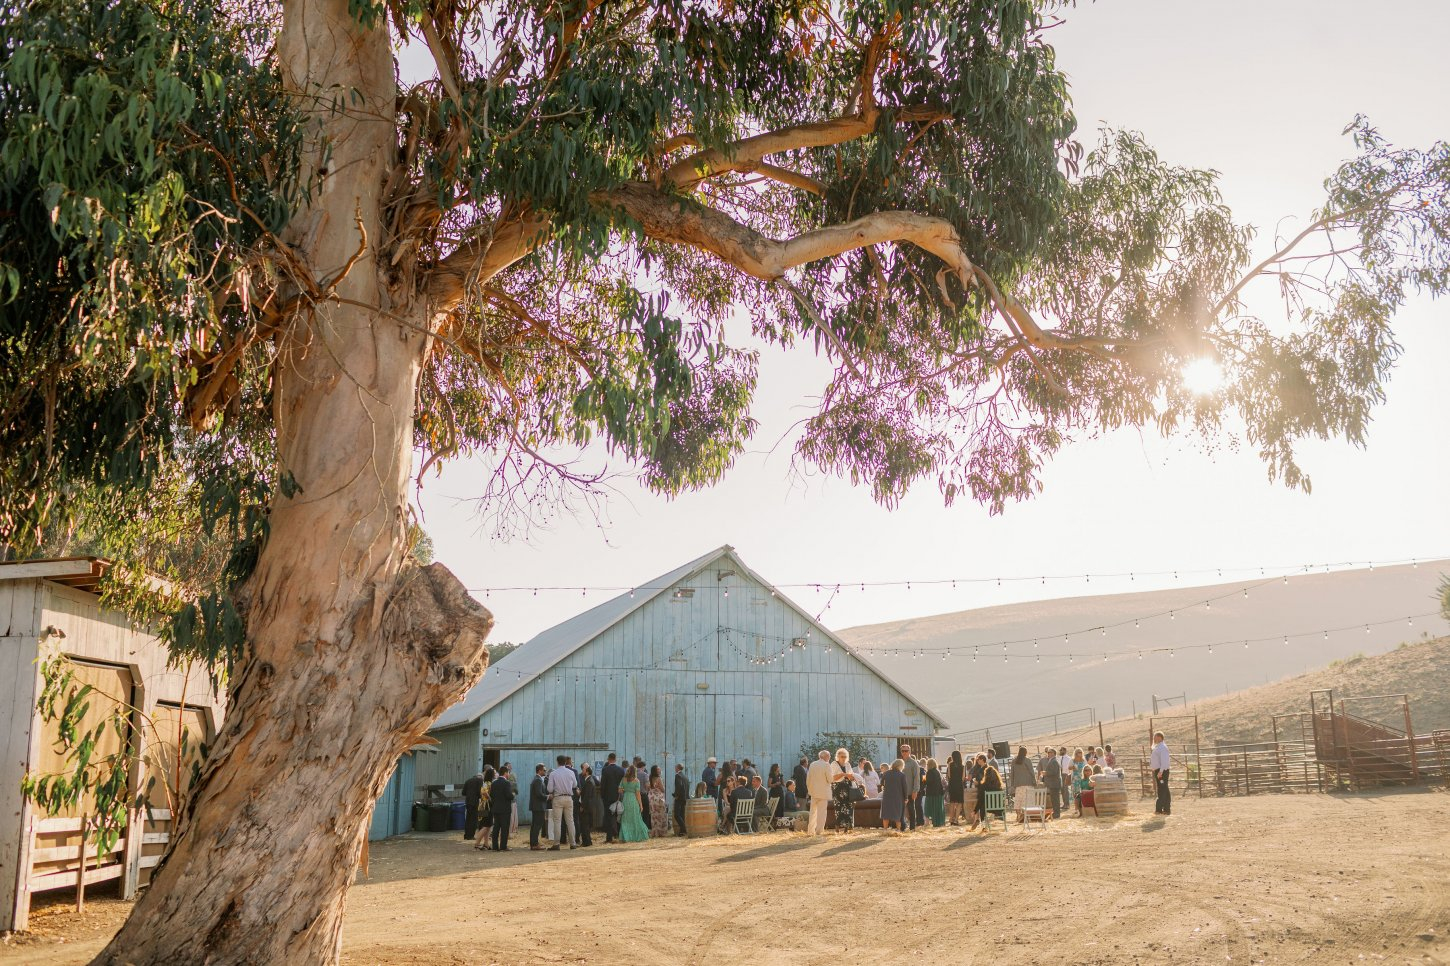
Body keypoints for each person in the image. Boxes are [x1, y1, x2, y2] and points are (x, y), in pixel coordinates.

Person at [546, 755, 578, 851]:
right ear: (565, 762)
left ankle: (556, 843)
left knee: (557, 821)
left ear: (557, 762)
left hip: (558, 798)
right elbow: (575, 785)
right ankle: (573, 843)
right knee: (570, 821)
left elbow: (549, 789)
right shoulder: (571, 772)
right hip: (568, 797)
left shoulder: (553, 773)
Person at [484, 765, 515, 851]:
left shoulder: (494, 783)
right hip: (505, 809)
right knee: (504, 828)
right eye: (508, 772)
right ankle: (503, 846)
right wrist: (513, 795)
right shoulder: (506, 783)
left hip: (496, 808)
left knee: (496, 828)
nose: (509, 774)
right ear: (505, 773)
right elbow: (508, 795)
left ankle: (495, 846)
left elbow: (491, 795)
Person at [969, 753, 1003, 830]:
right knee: (983, 802)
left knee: (982, 805)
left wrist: (975, 811)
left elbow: (980, 799)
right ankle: (983, 824)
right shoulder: (999, 786)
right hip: (999, 808)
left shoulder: (984, 786)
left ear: (985, 775)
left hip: (989, 807)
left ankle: (983, 825)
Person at [618, 765, 650, 842]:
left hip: (625, 799)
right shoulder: (636, 781)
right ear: (635, 772)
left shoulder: (623, 779)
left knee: (625, 819)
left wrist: (625, 790)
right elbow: (638, 794)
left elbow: (619, 790)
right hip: (633, 800)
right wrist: (641, 805)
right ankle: (636, 836)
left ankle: (626, 837)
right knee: (635, 818)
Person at [830, 748, 859, 833]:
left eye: (845, 756)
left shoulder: (848, 764)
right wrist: (844, 774)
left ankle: (847, 827)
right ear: (838, 756)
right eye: (842, 756)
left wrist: (851, 777)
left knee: (849, 807)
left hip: (847, 787)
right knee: (839, 807)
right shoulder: (834, 764)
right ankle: (837, 826)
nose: (843, 758)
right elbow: (833, 778)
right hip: (838, 788)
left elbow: (851, 775)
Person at [805, 750, 833, 835]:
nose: (829, 757)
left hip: (813, 792)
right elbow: (830, 779)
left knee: (813, 812)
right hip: (823, 793)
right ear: (826, 757)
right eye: (829, 756)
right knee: (821, 813)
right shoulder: (826, 765)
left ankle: (810, 831)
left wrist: (810, 790)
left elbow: (808, 779)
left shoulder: (812, 764)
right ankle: (819, 831)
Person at [600, 753, 625, 843]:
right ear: (615, 759)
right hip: (618, 796)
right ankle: (619, 835)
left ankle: (609, 837)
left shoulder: (605, 770)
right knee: (619, 815)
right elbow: (623, 784)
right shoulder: (621, 770)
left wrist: (602, 796)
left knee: (608, 817)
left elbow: (603, 784)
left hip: (608, 797)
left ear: (608, 759)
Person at [1009, 746, 1037, 821]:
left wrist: (1012, 784)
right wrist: (1034, 782)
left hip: (1018, 784)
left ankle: (1018, 816)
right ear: (1025, 752)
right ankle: (1027, 817)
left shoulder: (1014, 761)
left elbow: (1012, 773)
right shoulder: (1027, 760)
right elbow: (1032, 772)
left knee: (1018, 801)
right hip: (1028, 783)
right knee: (1027, 801)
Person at [880, 759, 907, 830]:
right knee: (897, 814)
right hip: (898, 797)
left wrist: (885, 787)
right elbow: (905, 787)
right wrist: (906, 798)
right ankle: (898, 830)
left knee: (886, 814)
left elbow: (881, 783)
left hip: (887, 796)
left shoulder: (886, 773)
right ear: (900, 766)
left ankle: (885, 829)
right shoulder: (902, 775)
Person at [579, 763, 602, 846]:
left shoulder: (588, 781)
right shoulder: (590, 780)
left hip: (586, 807)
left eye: (583, 770)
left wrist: (582, 806)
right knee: (586, 824)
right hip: (589, 806)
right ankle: (587, 841)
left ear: (587, 772)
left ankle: (586, 842)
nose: (582, 771)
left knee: (585, 825)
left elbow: (587, 796)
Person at [528, 764, 549, 850]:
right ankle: (534, 844)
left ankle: (533, 843)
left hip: (537, 806)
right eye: (544, 770)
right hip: (538, 806)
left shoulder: (537, 779)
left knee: (535, 825)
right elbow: (539, 794)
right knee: (537, 825)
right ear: (539, 770)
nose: (545, 771)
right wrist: (548, 797)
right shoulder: (538, 780)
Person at [462, 769, 487, 841]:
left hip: (468, 802)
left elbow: (463, 792)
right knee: (474, 819)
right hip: (475, 802)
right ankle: (471, 835)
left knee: (468, 819)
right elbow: (480, 792)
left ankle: (466, 835)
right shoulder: (480, 781)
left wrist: (469, 794)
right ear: (481, 777)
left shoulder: (468, 781)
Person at [1151, 731, 1172, 815]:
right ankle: (1166, 809)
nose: (1154, 739)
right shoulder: (1159, 747)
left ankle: (1159, 809)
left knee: (1162, 789)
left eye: (1155, 737)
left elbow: (1164, 761)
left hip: (1161, 771)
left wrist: (1160, 771)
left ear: (1159, 737)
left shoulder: (1162, 747)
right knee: (1164, 788)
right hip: (1160, 771)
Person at [1038, 748, 1062, 820]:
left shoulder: (1054, 761)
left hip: (1054, 783)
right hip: (1053, 783)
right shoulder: (1051, 760)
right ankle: (1055, 813)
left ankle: (1056, 814)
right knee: (1054, 800)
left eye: (1050, 752)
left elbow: (1054, 772)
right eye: (1048, 752)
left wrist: (1045, 773)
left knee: (1055, 800)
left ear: (1054, 753)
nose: (1049, 754)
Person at [923, 758, 946, 827]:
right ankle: (938, 822)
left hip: (931, 793)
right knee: (937, 808)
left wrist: (923, 778)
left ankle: (927, 823)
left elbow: (927, 782)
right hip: (939, 792)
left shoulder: (929, 772)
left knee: (928, 808)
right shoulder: (937, 771)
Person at [648, 771, 669, 837]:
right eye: (658, 770)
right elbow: (663, 789)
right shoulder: (658, 778)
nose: (660, 771)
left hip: (652, 798)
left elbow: (647, 788)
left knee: (654, 815)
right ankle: (661, 832)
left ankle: (655, 832)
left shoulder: (650, 778)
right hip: (658, 798)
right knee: (661, 814)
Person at [672, 763, 689, 836]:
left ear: (677, 768)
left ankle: (684, 829)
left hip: (679, 798)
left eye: (675, 767)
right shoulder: (685, 776)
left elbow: (679, 786)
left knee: (676, 815)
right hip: (685, 798)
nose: (675, 768)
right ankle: (682, 832)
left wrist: (676, 795)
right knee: (682, 815)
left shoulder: (678, 775)